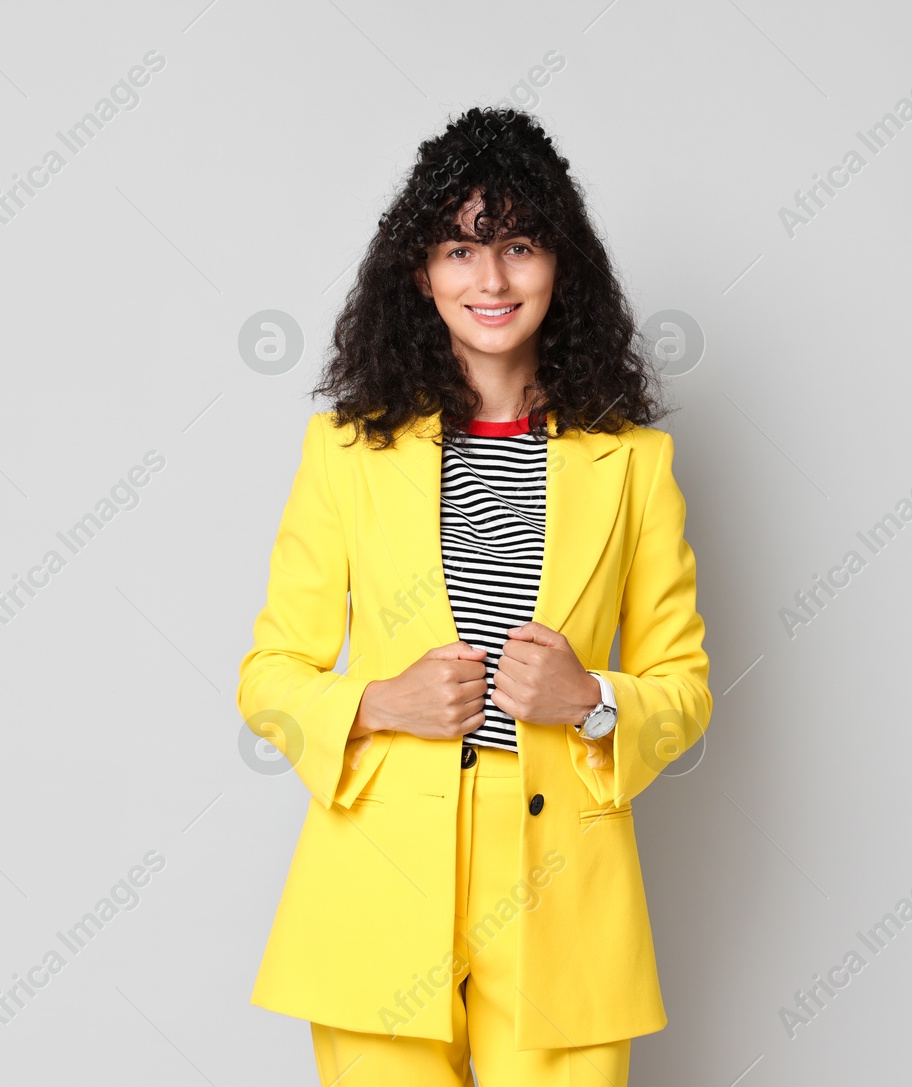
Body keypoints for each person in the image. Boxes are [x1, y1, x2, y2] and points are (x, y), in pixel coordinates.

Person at [237, 106, 712, 1087]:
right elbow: (269, 674)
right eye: (460, 248)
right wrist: (378, 701)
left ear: (558, 265)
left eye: (519, 246)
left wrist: (590, 700)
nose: (489, 281)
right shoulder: (346, 454)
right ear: (420, 271)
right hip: (379, 876)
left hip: (561, 887)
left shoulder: (634, 465)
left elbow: (685, 688)